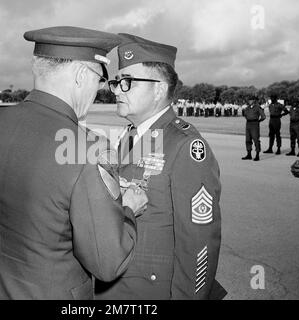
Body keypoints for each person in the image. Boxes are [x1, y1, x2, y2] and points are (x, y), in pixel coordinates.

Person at [0, 26, 148, 300]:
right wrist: (127, 210)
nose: (97, 92)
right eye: (99, 81)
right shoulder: (87, 148)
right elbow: (108, 262)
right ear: (82, 75)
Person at [94, 33, 225, 300]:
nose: (117, 89)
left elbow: (199, 243)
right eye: (117, 82)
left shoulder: (184, 146)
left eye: (127, 82)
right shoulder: (130, 135)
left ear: (159, 89)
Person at [242, 95, 266, 161]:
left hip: (255, 124)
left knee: (256, 140)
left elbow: (263, 116)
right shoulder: (247, 108)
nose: (249, 101)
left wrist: (258, 121)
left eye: (251, 100)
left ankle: (257, 155)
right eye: (249, 100)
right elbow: (245, 115)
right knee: (248, 140)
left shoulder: (257, 107)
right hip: (248, 124)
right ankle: (249, 154)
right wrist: (249, 119)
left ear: (254, 100)